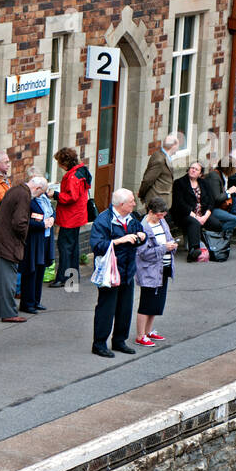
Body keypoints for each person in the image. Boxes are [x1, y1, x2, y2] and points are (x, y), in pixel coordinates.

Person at [91, 189, 146, 358]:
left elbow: (140, 233)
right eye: (131, 201)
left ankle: (119, 341)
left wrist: (142, 236)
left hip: (127, 271)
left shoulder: (132, 218)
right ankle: (99, 344)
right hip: (111, 272)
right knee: (106, 309)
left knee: (125, 308)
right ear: (121, 205)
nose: (134, 204)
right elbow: (97, 245)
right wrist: (119, 241)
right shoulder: (103, 220)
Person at [0, 174, 39, 323]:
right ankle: (9, 312)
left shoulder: (14, 189)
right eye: (39, 194)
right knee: (8, 279)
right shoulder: (24, 195)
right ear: (37, 188)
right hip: (9, 242)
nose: (36, 198)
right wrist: (23, 237)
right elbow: (19, 222)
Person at [134, 197, 178, 347]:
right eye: (159, 215)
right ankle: (140, 335)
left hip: (163, 268)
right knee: (147, 303)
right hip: (149, 270)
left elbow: (169, 237)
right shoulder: (143, 227)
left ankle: (148, 331)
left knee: (157, 303)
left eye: (163, 215)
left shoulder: (162, 221)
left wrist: (172, 245)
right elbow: (143, 253)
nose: (162, 218)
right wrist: (165, 248)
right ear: (151, 211)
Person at [171, 160, 235, 262]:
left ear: (200, 174)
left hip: (202, 214)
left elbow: (211, 201)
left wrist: (205, 216)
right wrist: (196, 217)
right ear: (188, 170)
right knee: (194, 223)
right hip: (185, 214)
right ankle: (194, 250)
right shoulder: (179, 183)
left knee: (217, 224)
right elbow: (180, 204)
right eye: (192, 168)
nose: (193, 170)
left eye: (196, 169)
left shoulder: (203, 183)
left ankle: (214, 247)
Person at [52, 148, 91, 286]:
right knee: (73, 247)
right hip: (77, 215)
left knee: (65, 247)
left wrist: (55, 194)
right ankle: (72, 278)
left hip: (70, 217)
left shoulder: (73, 176)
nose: (59, 166)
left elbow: (71, 197)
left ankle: (62, 278)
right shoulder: (81, 171)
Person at [19, 176, 55, 314]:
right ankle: (27, 303)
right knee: (31, 271)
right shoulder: (28, 200)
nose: (43, 194)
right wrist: (41, 224)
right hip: (33, 240)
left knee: (40, 269)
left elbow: (52, 211)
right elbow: (24, 220)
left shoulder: (44, 198)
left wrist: (52, 218)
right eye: (42, 192)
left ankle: (36, 301)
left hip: (45, 239)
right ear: (37, 188)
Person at [137, 134, 180, 212]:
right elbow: (148, 179)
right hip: (156, 202)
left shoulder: (165, 156)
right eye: (177, 145)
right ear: (173, 146)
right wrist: (141, 194)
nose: (178, 148)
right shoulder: (159, 160)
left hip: (162, 200)